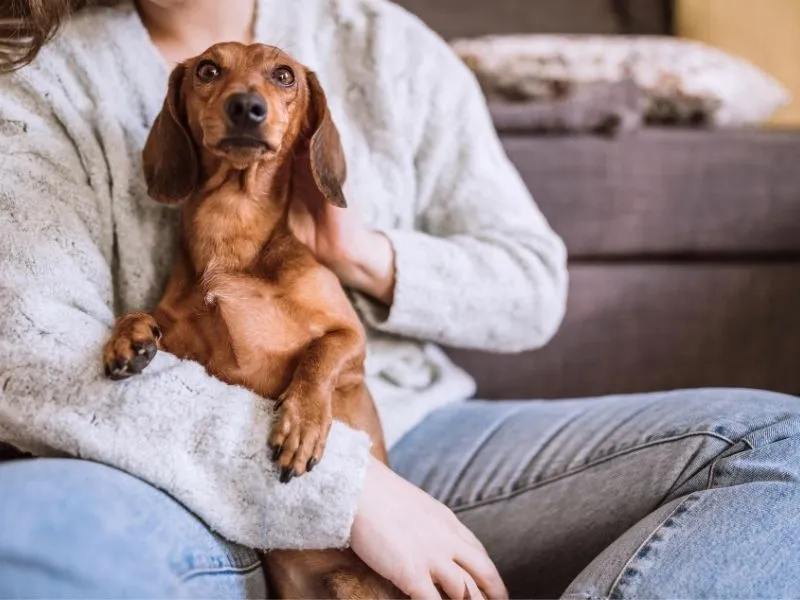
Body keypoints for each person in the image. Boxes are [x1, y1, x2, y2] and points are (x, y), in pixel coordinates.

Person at [0, 0, 799, 598]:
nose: (247, 96)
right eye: (217, 79)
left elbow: (532, 283)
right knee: (32, 530)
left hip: (418, 436)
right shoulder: (38, 71)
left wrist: (363, 254)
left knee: (782, 445)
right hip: (163, 464)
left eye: (273, 83)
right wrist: (347, 492)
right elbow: (30, 358)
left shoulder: (385, 41)